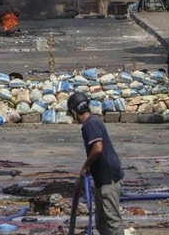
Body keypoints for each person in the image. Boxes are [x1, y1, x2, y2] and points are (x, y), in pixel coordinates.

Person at [66, 92, 124, 235]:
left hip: (108, 178)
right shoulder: (94, 121)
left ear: (74, 112)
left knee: (111, 220)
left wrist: (86, 165)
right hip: (102, 178)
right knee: (101, 220)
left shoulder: (90, 124)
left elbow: (98, 149)